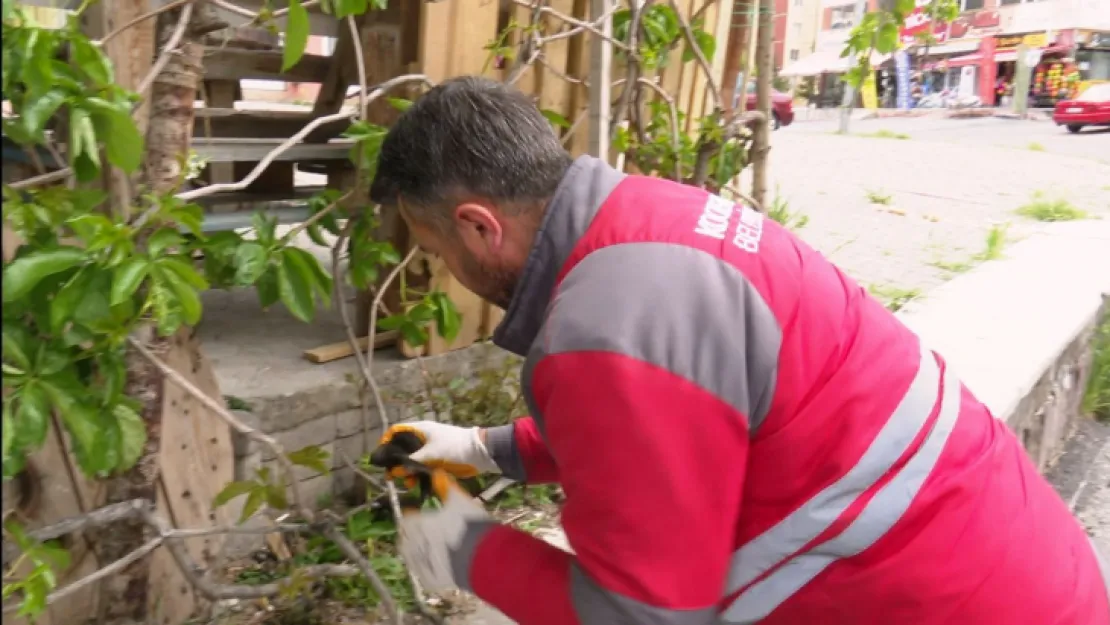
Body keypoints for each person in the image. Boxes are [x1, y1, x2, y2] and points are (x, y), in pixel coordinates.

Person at [367, 75, 1109, 625]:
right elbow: (675, 422)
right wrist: (485, 449)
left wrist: (461, 544)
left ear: (477, 226)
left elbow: (642, 617)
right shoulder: (651, 219)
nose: (448, 275)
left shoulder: (606, 324)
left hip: (946, 596)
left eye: (435, 251)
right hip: (1014, 569)